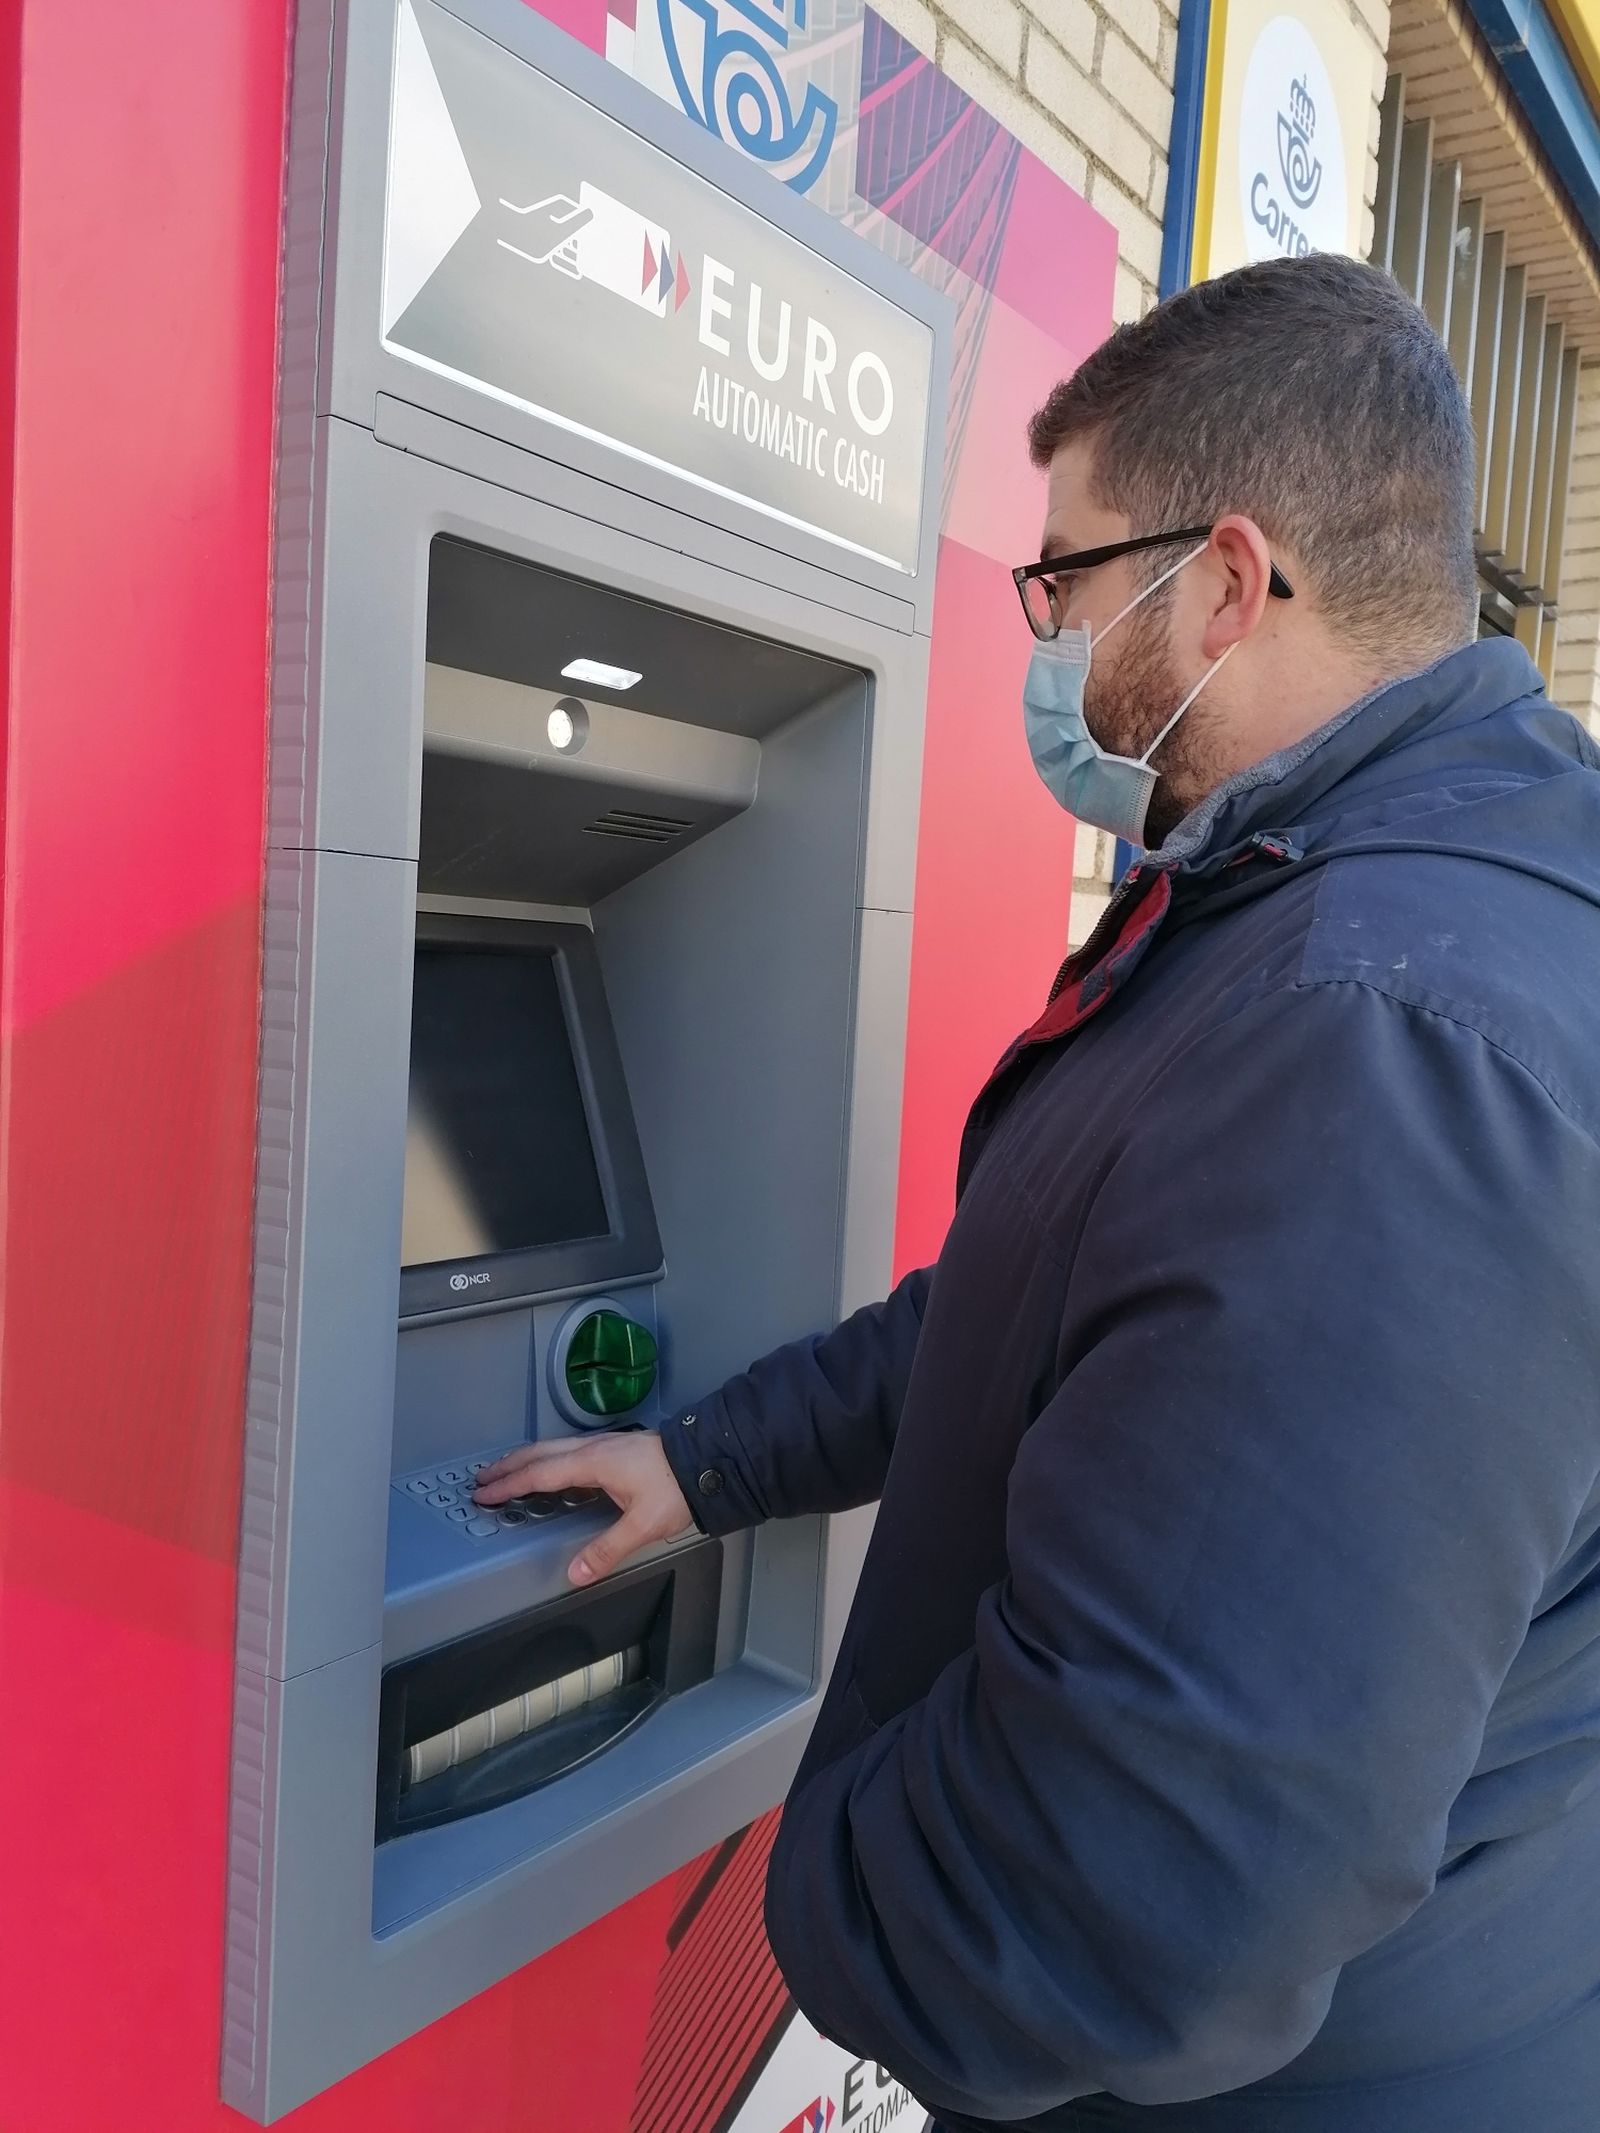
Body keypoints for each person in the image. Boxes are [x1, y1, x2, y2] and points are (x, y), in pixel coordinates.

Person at [475, 255, 1600, 2130]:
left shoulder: (1380, 1036)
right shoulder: (1418, 894)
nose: (1045, 634)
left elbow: (1142, 1893)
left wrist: (809, 1887)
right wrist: (717, 1458)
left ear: (1229, 582)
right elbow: (1049, 1306)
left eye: (1067, 578)